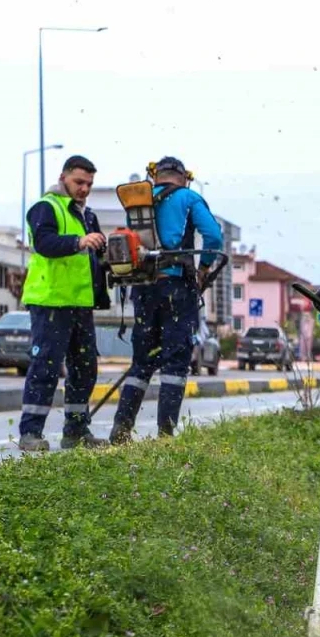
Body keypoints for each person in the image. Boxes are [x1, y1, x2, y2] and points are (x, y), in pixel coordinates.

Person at [109, 157, 223, 444]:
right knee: (175, 360)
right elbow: (213, 236)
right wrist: (205, 266)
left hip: (144, 287)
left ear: (156, 176)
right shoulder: (188, 197)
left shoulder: (139, 201)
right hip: (177, 289)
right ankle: (165, 434)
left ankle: (121, 428)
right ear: (183, 177)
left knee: (142, 361)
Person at [17, 154, 110, 452]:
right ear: (64, 177)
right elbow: (44, 244)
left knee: (85, 367)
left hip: (80, 303)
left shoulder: (87, 215)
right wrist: (78, 242)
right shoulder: (46, 207)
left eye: (89, 184)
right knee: (45, 365)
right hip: (51, 301)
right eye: (79, 182)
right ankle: (30, 432)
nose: (84, 188)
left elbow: (91, 262)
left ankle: (76, 430)